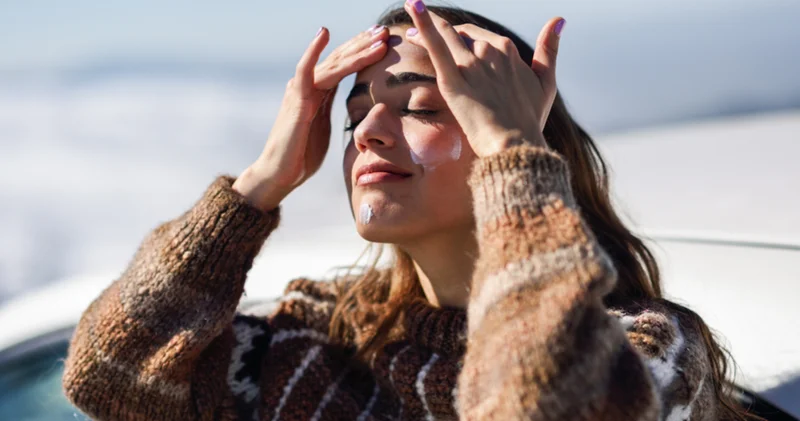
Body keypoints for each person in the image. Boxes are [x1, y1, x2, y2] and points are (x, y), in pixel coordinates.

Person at [62, 1, 756, 420]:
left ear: (515, 143)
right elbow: (106, 374)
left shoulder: (647, 353)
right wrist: (258, 184)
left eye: (422, 108)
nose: (366, 132)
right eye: (353, 116)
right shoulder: (318, 344)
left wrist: (513, 154)